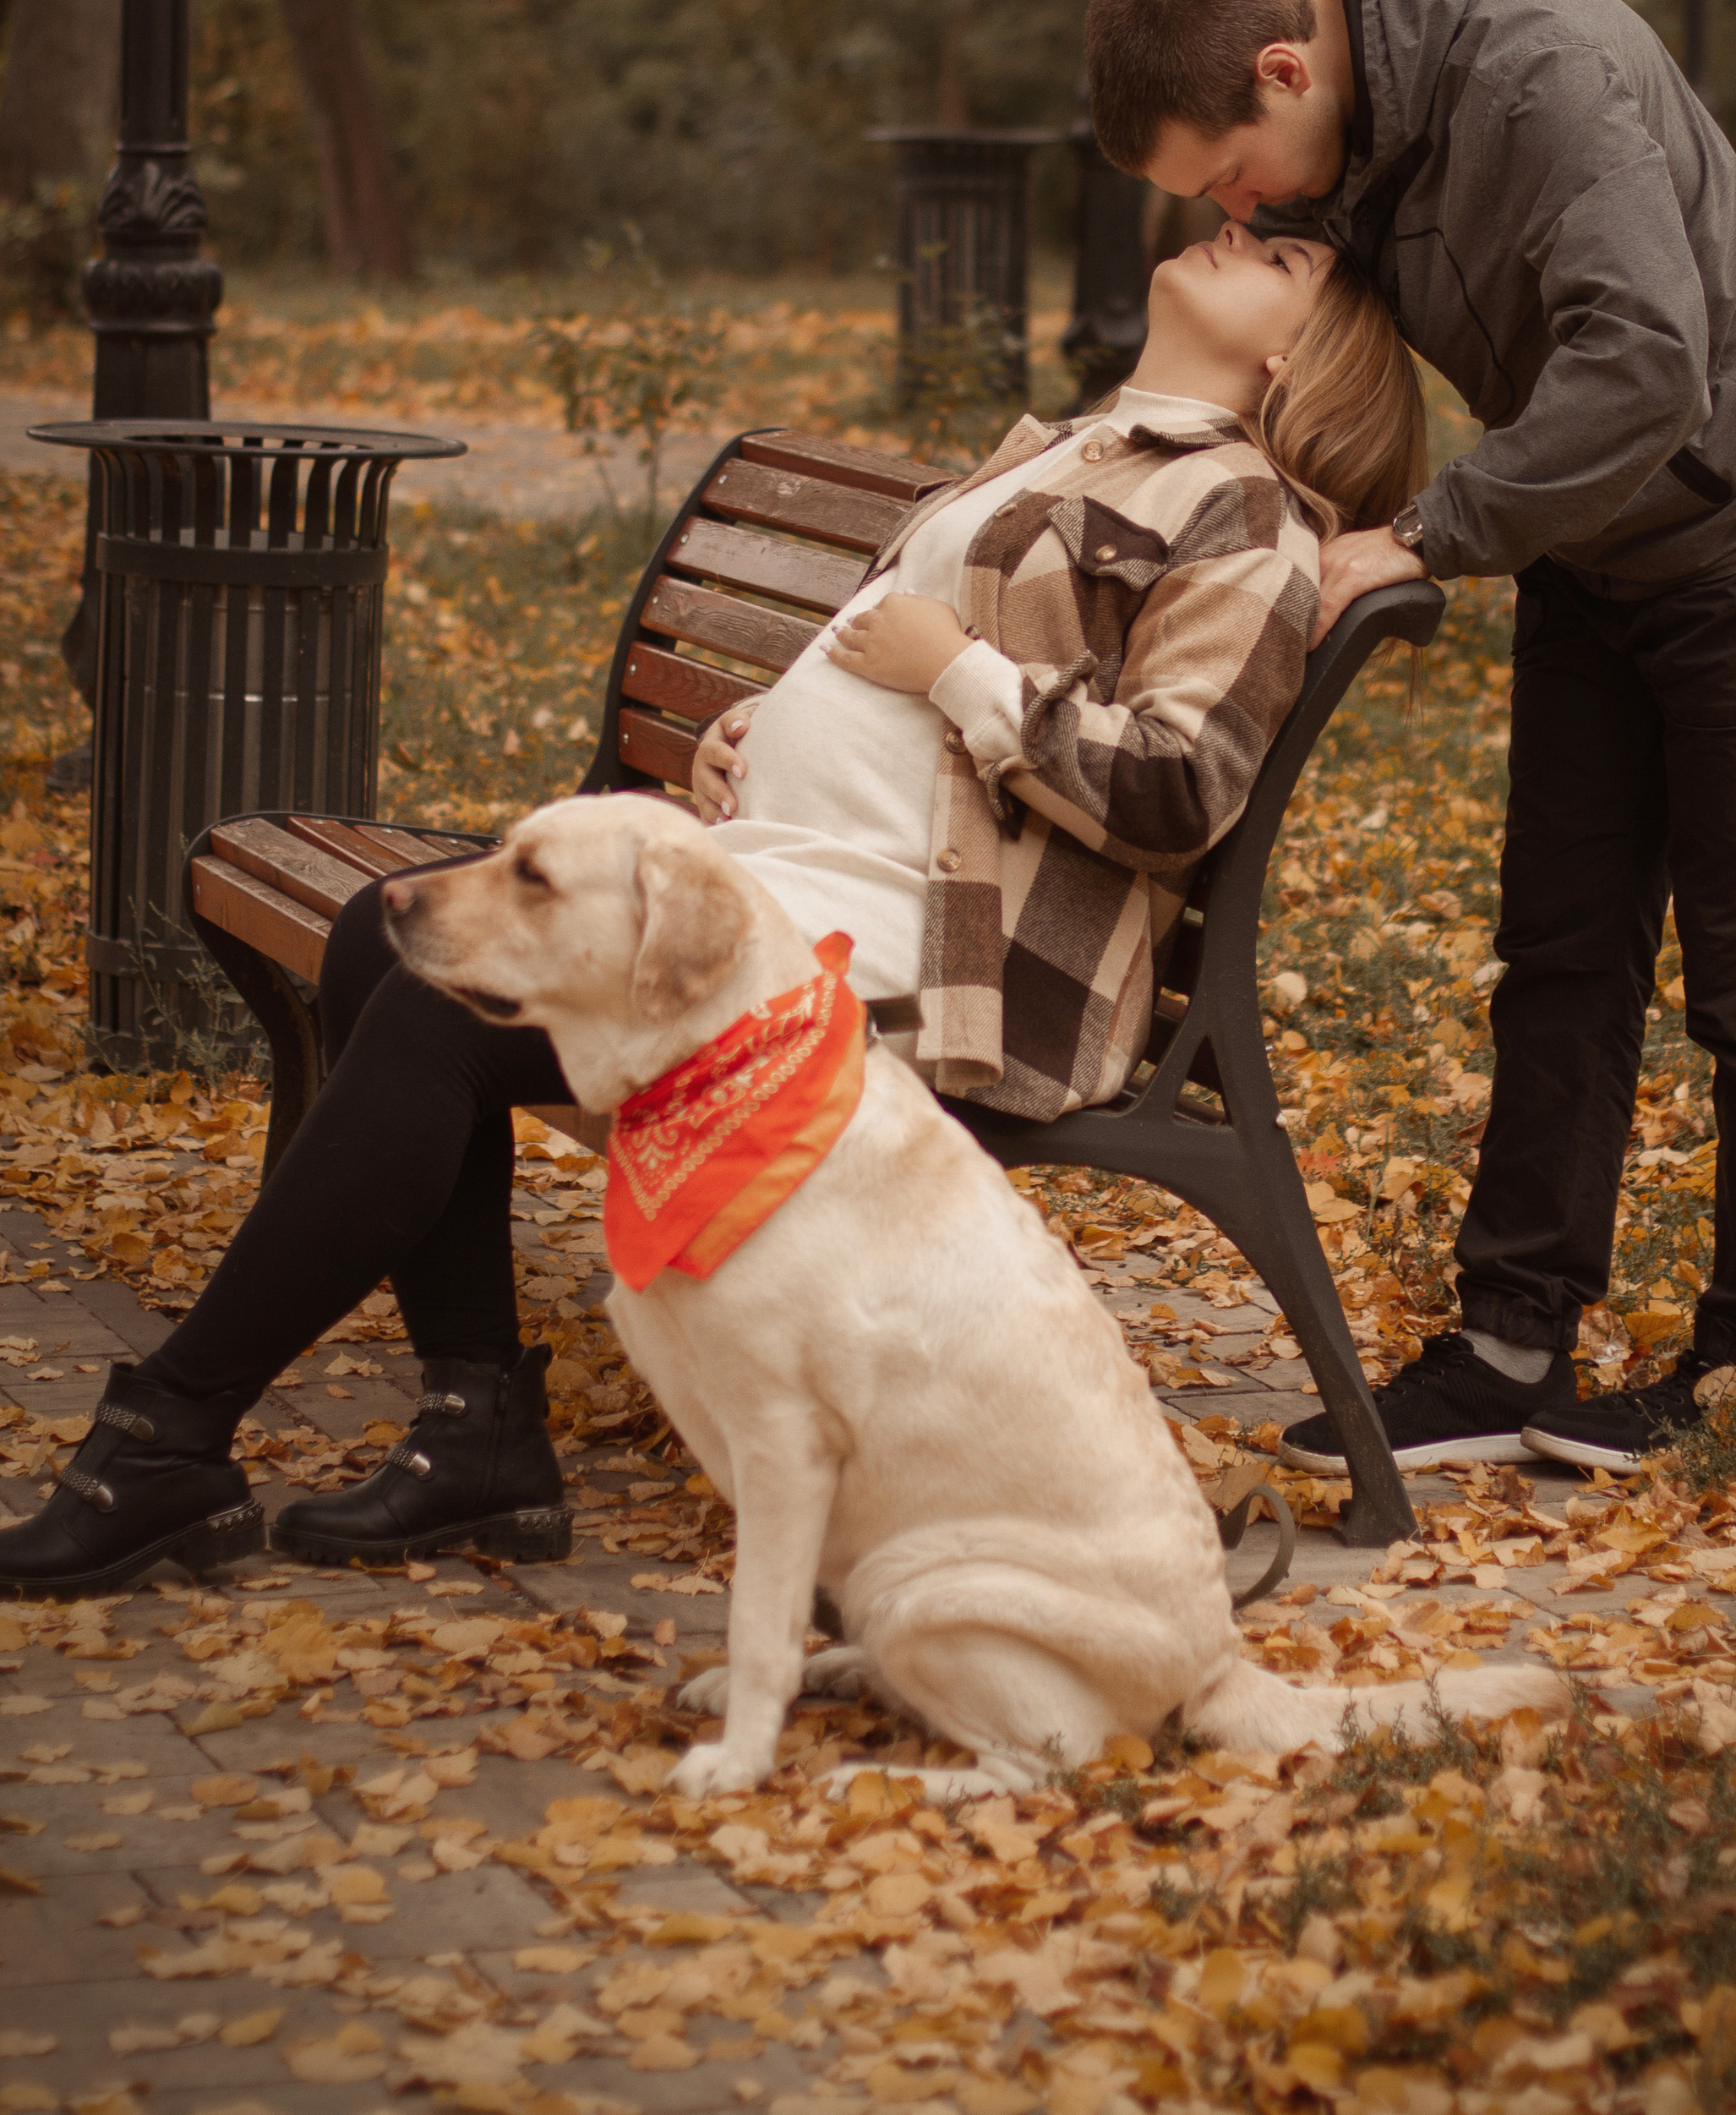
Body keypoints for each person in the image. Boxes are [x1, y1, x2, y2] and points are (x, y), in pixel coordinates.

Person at [0, 226, 1425, 1600]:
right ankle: (475, 1427)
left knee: (452, 1001)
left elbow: (1180, 787)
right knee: (389, 930)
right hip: (811, 874)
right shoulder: (1072, 446)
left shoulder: (1241, 512)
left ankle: (169, 1439)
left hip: (942, 959)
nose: (1237, 231)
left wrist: (961, 673)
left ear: (1299, 360)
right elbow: (884, 652)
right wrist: (751, 725)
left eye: (1282, 257)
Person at [1085, 0, 1736, 1479]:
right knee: (1559, 957)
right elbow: (1310, 353)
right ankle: (1512, 1348)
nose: (1242, 212)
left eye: (1233, 177)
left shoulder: (1539, 74)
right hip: (1596, 546)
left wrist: (1433, 532)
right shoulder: (1338, 130)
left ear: (1284, 67)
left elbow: (1650, 366)